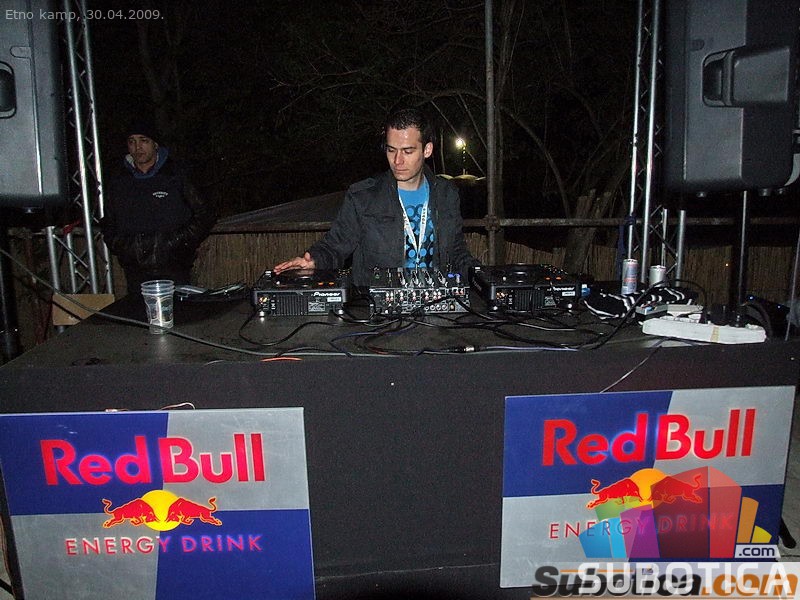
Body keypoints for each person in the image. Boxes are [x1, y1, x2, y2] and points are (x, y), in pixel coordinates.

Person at [274, 107, 479, 286]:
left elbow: (456, 251)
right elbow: (335, 245)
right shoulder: (363, 197)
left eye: (407, 151)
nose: (397, 160)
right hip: (377, 309)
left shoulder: (447, 194)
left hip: (436, 306)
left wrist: (481, 276)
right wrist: (314, 261)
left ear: (427, 150)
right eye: (391, 150)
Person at [101, 118, 216, 296]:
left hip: (174, 267)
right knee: (138, 311)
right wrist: (127, 248)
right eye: (132, 141)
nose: (137, 147)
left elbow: (204, 214)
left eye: (144, 140)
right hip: (135, 270)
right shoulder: (118, 180)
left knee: (177, 310)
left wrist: (175, 243)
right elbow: (108, 223)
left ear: (155, 144)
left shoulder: (177, 174)